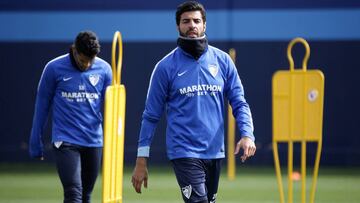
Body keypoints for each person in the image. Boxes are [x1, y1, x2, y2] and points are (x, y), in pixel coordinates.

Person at [131, 1, 256, 203]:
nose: (192, 25)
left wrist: (247, 134)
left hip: (215, 151)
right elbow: (150, 116)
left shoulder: (223, 61)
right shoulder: (165, 67)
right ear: (178, 26)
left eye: (197, 21)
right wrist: (141, 159)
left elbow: (240, 103)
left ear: (204, 25)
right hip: (184, 151)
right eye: (186, 21)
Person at [29, 30, 112, 203]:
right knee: (74, 192)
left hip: (93, 141)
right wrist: (35, 140)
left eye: (91, 61)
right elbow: (42, 104)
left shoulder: (105, 69)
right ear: (74, 50)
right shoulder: (53, 68)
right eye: (83, 60)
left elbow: (110, 107)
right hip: (66, 141)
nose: (87, 65)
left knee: (86, 195)